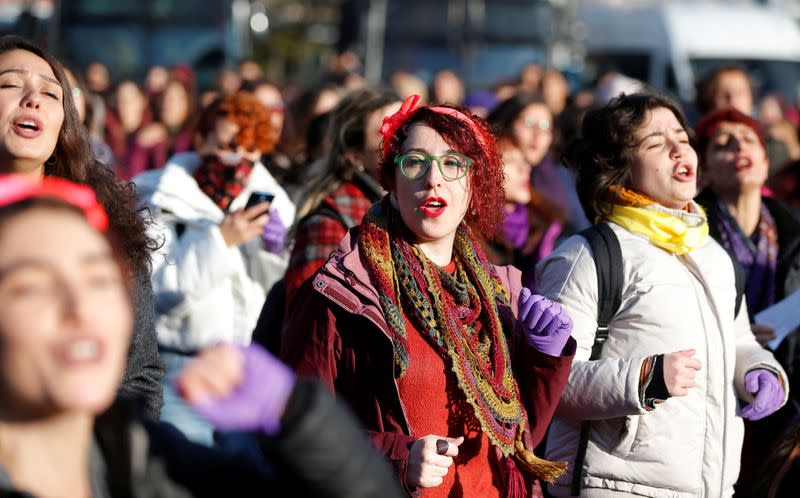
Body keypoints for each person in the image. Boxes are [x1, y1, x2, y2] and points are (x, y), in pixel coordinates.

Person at [0, 174, 405, 498]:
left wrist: (298, 416)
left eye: (99, 280)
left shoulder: (155, 465)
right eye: (32, 286)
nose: (80, 307)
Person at [282, 94, 576, 497]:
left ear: (474, 185)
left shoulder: (499, 292)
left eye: (453, 164)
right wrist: (397, 458)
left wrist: (545, 356)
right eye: (416, 162)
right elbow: (297, 429)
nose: (433, 179)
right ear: (393, 180)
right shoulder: (342, 291)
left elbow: (518, 438)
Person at [537, 92, 789, 497]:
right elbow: (551, 384)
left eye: (682, 137)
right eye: (655, 143)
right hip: (613, 487)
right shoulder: (587, 255)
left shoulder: (712, 253)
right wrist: (644, 379)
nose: (677, 148)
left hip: (713, 488)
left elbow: (738, 339)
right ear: (616, 168)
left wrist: (759, 370)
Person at [0, 35, 164, 417]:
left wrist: (97, 458)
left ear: (64, 123)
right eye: (9, 84)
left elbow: (138, 376)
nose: (32, 99)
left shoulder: (103, 230)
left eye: (52, 94)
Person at [134, 90, 294, 446]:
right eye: (226, 145)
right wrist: (219, 242)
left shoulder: (273, 200)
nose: (238, 159)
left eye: (250, 149)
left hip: (246, 369)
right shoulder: (157, 198)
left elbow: (271, 295)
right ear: (203, 139)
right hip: (179, 366)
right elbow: (156, 294)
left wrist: (274, 250)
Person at [694, 107, 800, 496]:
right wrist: (738, 336)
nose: (739, 146)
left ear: (766, 161)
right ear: (702, 168)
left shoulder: (793, 231)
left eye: (749, 139)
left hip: (786, 404)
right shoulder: (687, 234)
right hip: (715, 402)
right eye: (723, 144)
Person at [283, 87, 400, 307]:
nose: (404, 142)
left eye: (407, 127)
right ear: (355, 155)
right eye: (388, 131)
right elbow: (311, 318)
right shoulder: (330, 223)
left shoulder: (410, 209)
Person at [480, 138, 565, 290]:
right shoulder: (475, 237)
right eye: (511, 161)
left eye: (524, 161)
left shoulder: (546, 227)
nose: (524, 169)